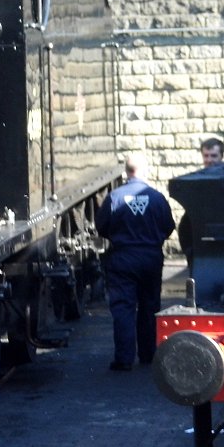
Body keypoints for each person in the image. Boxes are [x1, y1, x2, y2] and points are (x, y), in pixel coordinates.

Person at [96, 153, 176, 371]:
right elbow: (169, 226)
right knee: (150, 306)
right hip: (150, 257)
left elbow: (101, 227)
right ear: (145, 170)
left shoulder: (114, 197)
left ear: (126, 171)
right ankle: (148, 354)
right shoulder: (157, 197)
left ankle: (123, 359)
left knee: (123, 307)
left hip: (123, 257)